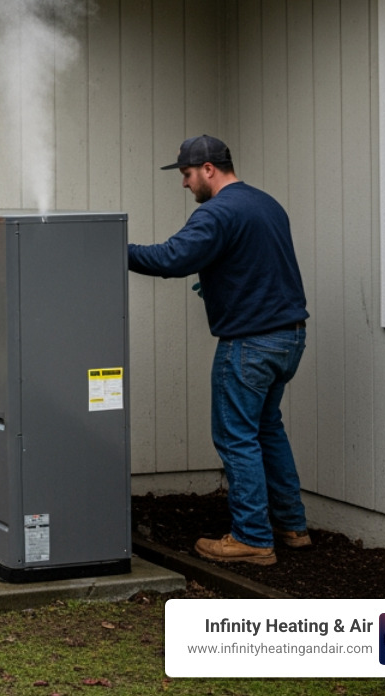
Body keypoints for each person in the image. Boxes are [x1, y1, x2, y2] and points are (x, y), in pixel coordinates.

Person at [127, 135, 311, 566]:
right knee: (267, 429)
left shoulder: (218, 212)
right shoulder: (266, 204)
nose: (185, 184)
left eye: (187, 175)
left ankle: (251, 537)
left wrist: (115, 249)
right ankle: (292, 525)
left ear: (209, 169)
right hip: (290, 338)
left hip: (251, 344)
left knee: (236, 436)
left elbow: (172, 258)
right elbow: (253, 264)